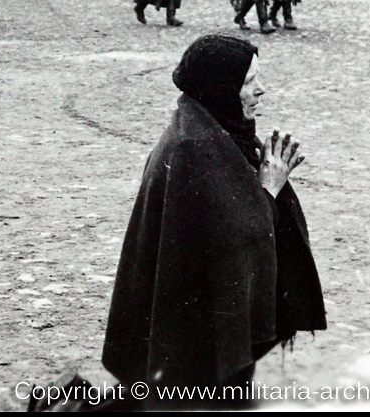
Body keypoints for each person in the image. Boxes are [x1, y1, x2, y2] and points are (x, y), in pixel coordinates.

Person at [102, 34, 326, 410]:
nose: (261, 89)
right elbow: (237, 237)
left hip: (199, 320)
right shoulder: (194, 146)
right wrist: (268, 189)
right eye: (249, 81)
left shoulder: (210, 128)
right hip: (195, 329)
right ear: (221, 89)